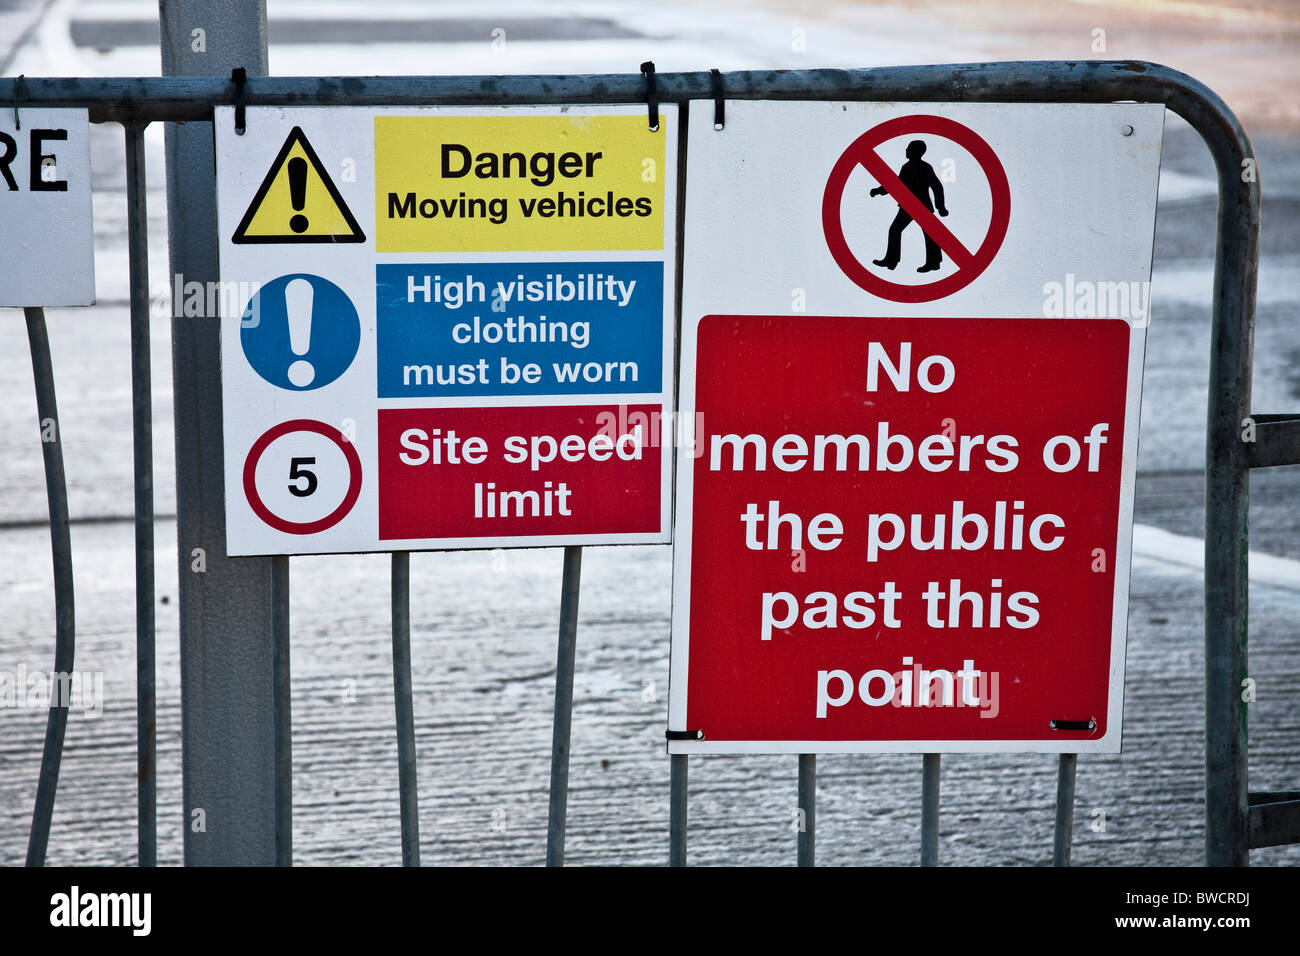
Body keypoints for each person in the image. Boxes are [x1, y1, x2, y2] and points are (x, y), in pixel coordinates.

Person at [870, 139, 948, 273]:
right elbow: (895, 185)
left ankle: (933, 263)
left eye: (908, 148)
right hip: (908, 206)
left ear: (915, 151)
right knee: (895, 229)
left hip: (922, 207)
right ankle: (891, 261)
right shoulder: (906, 167)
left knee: (929, 234)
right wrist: (879, 191)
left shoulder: (925, 167)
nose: (906, 150)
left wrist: (941, 207)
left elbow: (937, 186)